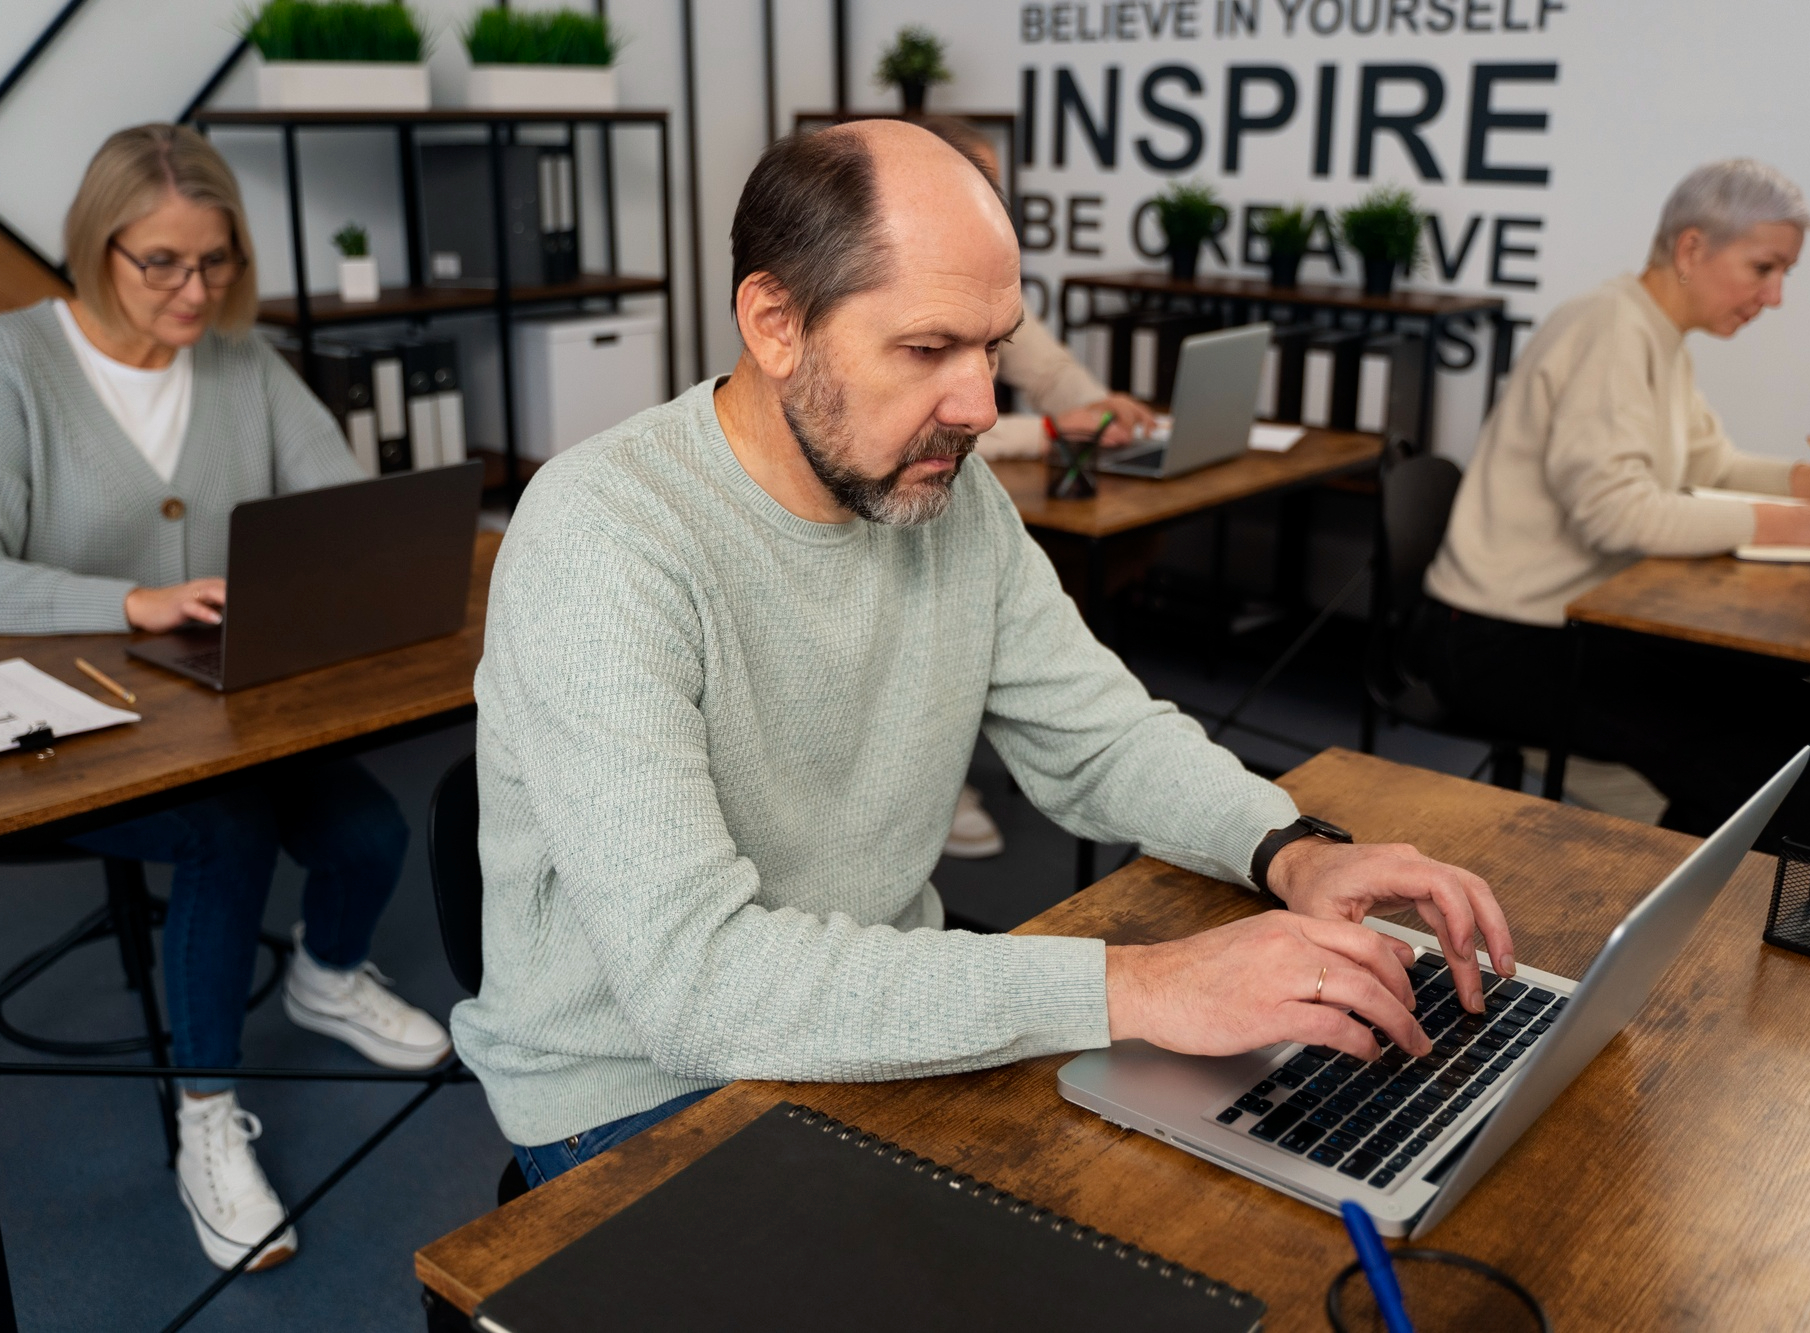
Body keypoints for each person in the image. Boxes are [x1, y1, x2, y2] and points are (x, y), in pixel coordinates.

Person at [454, 120, 1516, 1190]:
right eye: (927, 350)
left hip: (870, 1018)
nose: (980, 408)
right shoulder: (603, 534)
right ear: (774, 322)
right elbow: (700, 987)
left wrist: (1285, 846)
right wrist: (1139, 985)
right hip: (642, 1098)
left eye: (993, 346)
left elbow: (1098, 736)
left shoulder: (943, 493)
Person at [0, 124, 451, 1273]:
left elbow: (345, 510)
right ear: (94, 247)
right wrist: (133, 602)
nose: (194, 290)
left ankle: (323, 976)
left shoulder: (244, 363)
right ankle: (205, 1118)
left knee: (369, 830)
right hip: (61, 728)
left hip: (221, 705)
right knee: (224, 832)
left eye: (215, 262)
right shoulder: (8, 361)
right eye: (160, 262)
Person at [1418, 158, 1810, 850]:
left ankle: (1673, 886)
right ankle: (1805, 922)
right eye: (1764, 268)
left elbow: (1712, 463)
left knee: (1802, 717)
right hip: (1499, 640)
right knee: (1762, 758)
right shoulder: (1609, 328)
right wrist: (1798, 524)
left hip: (1570, 620)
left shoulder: (1657, 337)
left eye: (1783, 275)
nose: (1774, 297)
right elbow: (1615, 512)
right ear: (1691, 248)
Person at [921, 117, 1157, 860]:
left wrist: (1100, 408)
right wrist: (1056, 433)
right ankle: (935, 783)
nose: (993, 204)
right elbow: (929, 422)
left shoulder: (986, 276)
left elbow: (1048, 372)